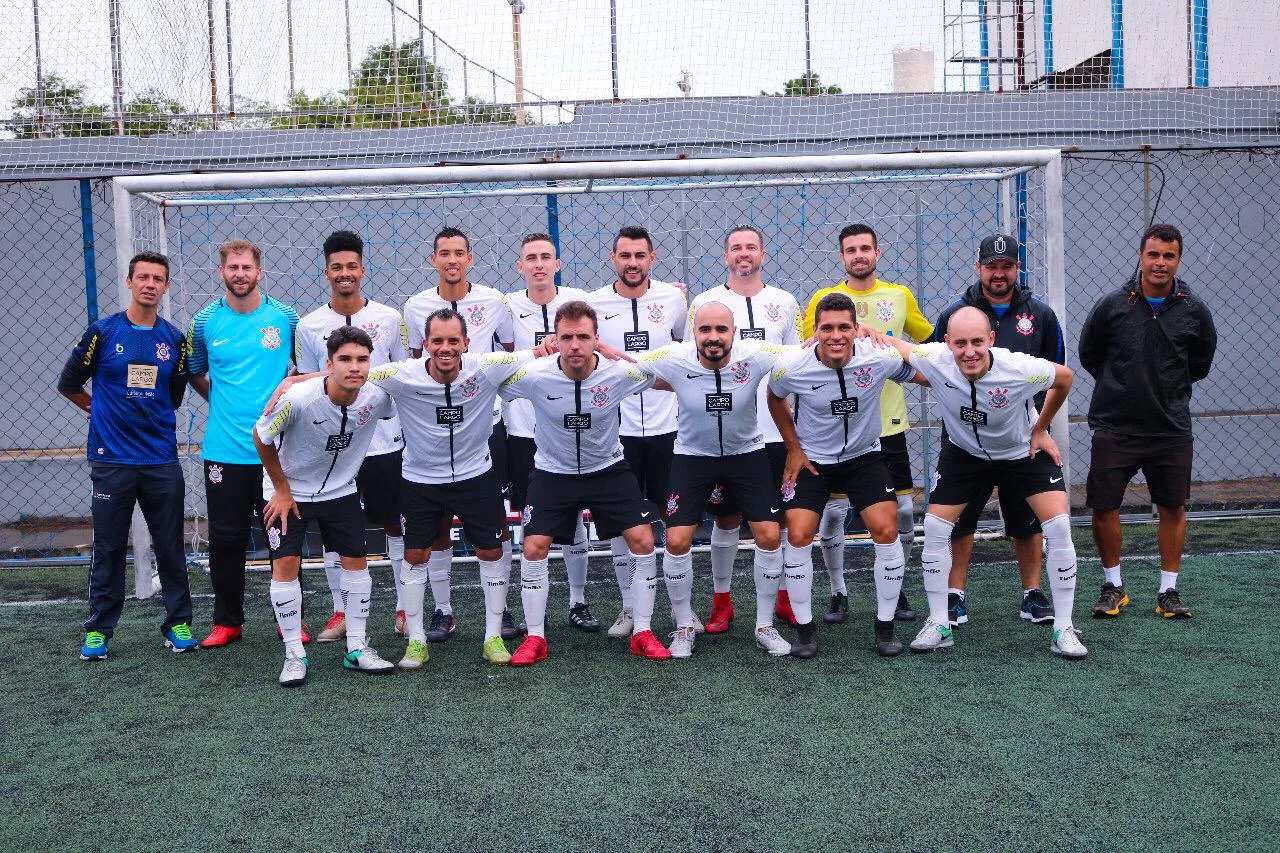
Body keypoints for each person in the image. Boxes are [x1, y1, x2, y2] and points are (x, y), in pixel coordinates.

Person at [869, 307, 1086, 659]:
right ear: (947, 343)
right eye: (959, 343)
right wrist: (865, 330)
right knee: (936, 528)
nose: (968, 351)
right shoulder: (936, 358)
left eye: (976, 342)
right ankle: (939, 623)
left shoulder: (1018, 367)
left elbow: (1065, 378)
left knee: (1059, 526)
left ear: (991, 341)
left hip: (1020, 452)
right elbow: (896, 345)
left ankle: (1063, 628)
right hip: (965, 455)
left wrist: (1041, 427)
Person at [499, 301, 669, 665]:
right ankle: (535, 638)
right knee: (533, 547)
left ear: (596, 340)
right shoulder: (535, 375)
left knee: (642, 539)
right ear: (555, 341)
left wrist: (614, 354)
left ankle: (642, 630)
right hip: (552, 472)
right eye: (567, 338)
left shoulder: (616, 373)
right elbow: (486, 382)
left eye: (583, 337)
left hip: (607, 470)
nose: (575, 345)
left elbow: (667, 380)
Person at [367, 309, 533, 668]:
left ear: (466, 344)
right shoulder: (400, 375)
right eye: (437, 341)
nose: (445, 348)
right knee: (415, 557)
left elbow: (539, 353)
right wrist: (294, 382)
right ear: (424, 344)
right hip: (421, 480)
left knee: (491, 552)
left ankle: (492, 637)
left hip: (476, 477)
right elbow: (352, 373)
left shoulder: (485, 367)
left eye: (453, 341)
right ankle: (415, 641)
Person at [58, 251, 198, 660]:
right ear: (129, 281)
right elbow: (69, 383)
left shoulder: (174, 340)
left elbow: (173, 396)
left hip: (159, 460)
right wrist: (94, 408)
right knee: (109, 547)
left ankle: (178, 624)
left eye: (158, 278)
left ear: (166, 286)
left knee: (170, 545)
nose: (150, 284)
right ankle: (99, 630)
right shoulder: (102, 333)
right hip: (111, 461)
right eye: (143, 277)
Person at [636, 302, 795, 658]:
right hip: (693, 456)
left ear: (733, 332)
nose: (713, 337)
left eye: (721, 330)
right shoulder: (675, 357)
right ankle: (683, 626)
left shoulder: (754, 354)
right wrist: (595, 348)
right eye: (705, 330)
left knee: (769, 534)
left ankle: (764, 626)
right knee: (676, 540)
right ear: (693, 332)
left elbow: (800, 353)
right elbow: (628, 364)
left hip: (747, 454)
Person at [768, 293, 919, 658]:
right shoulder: (794, 367)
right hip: (814, 462)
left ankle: (885, 627)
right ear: (815, 331)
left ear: (856, 329)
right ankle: (805, 630)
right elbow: (775, 398)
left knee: (887, 528)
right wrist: (793, 447)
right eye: (827, 328)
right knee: (800, 533)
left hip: (864, 457)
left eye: (843, 327)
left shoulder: (878, 360)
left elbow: (922, 374)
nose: (835, 336)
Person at [1079, 223, 1217, 620]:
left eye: (1168, 256)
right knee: (1104, 507)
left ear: (1178, 260)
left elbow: (1200, 365)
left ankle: (1168, 592)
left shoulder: (1194, 310)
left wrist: (1166, 388)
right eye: (1153, 254)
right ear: (1141, 256)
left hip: (1170, 428)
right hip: (1115, 426)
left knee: (1172, 507)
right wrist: (1123, 386)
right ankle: (1113, 586)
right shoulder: (1111, 305)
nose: (1160, 263)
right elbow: (1092, 355)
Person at [932, 233, 1066, 627]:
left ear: (1016, 268)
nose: (999, 273)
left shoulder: (1039, 315)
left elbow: (1056, 372)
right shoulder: (955, 312)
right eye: (991, 266)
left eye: (1007, 266)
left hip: (1021, 437)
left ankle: (1032, 593)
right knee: (959, 519)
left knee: (1027, 519)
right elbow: (935, 363)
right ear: (979, 267)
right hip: (965, 437)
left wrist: (1040, 427)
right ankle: (955, 595)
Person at [804, 224, 933, 624]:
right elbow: (807, 351)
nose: (858, 255)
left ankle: (898, 586)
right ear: (841, 257)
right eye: (850, 250)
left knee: (905, 511)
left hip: (888, 421)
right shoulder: (824, 300)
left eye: (865, 248)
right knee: (834, 513)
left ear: (878, 253)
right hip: (836, 427)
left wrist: (883, 339)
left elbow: (924, 347)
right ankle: (838, 590)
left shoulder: (899, 296)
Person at [254, 327, 397, 686]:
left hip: (341, 491)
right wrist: (282, 488)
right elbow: (261, 435)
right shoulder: (299, 399)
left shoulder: (377, 397)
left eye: (362, 359)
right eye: (345, 360)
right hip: (289, 494)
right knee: (286, 564)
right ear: (330, 364)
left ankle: (358, 648)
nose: (355, 367)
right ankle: (294, 654)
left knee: (356, 563)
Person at [294, 231, 410, 643]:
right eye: (337, 267)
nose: (345, 273)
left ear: (363, 269)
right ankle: (340, 612)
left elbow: (404, 375)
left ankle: (404, 608)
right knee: (333, 529)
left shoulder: (389, 318)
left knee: (396, 524)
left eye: (352, 266)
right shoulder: (309, 325)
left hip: (382, 442)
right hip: (333, 447)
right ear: (326, 272)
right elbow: (307, 383)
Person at [403, 227, 516, 643]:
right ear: (433, 260)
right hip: (432, 436)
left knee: (494, 528)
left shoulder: (494, 300)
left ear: (470, 258)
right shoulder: (415, 306)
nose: (452, 260)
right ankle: (443, 610)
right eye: (444, 254)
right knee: (435, 534)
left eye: (459, 253)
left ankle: (500, 616)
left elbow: (508, 351)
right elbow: (416, 364)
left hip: (484, 427)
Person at [686, 226, 801, 634]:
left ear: (763, 253)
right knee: (726, 517)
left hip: (773, 431)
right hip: (726, 436)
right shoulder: (705, 304)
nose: (743, 254)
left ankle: (784, 597)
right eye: (736, 248)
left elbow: (794, 365)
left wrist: (794, 439)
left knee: (780, 520)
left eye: (751, 247)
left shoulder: (784, 302)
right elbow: (690, 363)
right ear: (725, 256)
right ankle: (722, 600)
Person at [187, 240, 298, 648]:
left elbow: (302, 373)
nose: (240, 274)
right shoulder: (203, 323)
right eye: (232, 267)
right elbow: (196, 372)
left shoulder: (286, 318)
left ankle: (289, 621)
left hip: (277, 453)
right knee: (226, 541)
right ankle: (227, 622)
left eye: (246, 267)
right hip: (223, 453)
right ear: (222, 273)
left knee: (282, 540)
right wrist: (223, 404)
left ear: (259, 271)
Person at [586, 226, 687, 638]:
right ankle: (629, 608)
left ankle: (683, 611)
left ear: (653, 257)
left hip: (668, 426)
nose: (632, 263)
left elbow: (685, 349)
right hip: (618, 429)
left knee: (677, 521)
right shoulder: (593, 302)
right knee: (622, 522)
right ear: (613, 258)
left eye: (639, 256)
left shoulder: (674, 299)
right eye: (625, 256)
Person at [504, 233, 598, 632]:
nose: (539, 264)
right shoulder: (505, 306)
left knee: (575, 516)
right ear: (520, 266)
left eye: (546, 257)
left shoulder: (578, 302)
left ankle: (578, 600)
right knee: (526, 519)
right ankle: (527, 607)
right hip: (523, 429)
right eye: (531, 258)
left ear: (557, 264)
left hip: (569, 428)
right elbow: (500, 358)